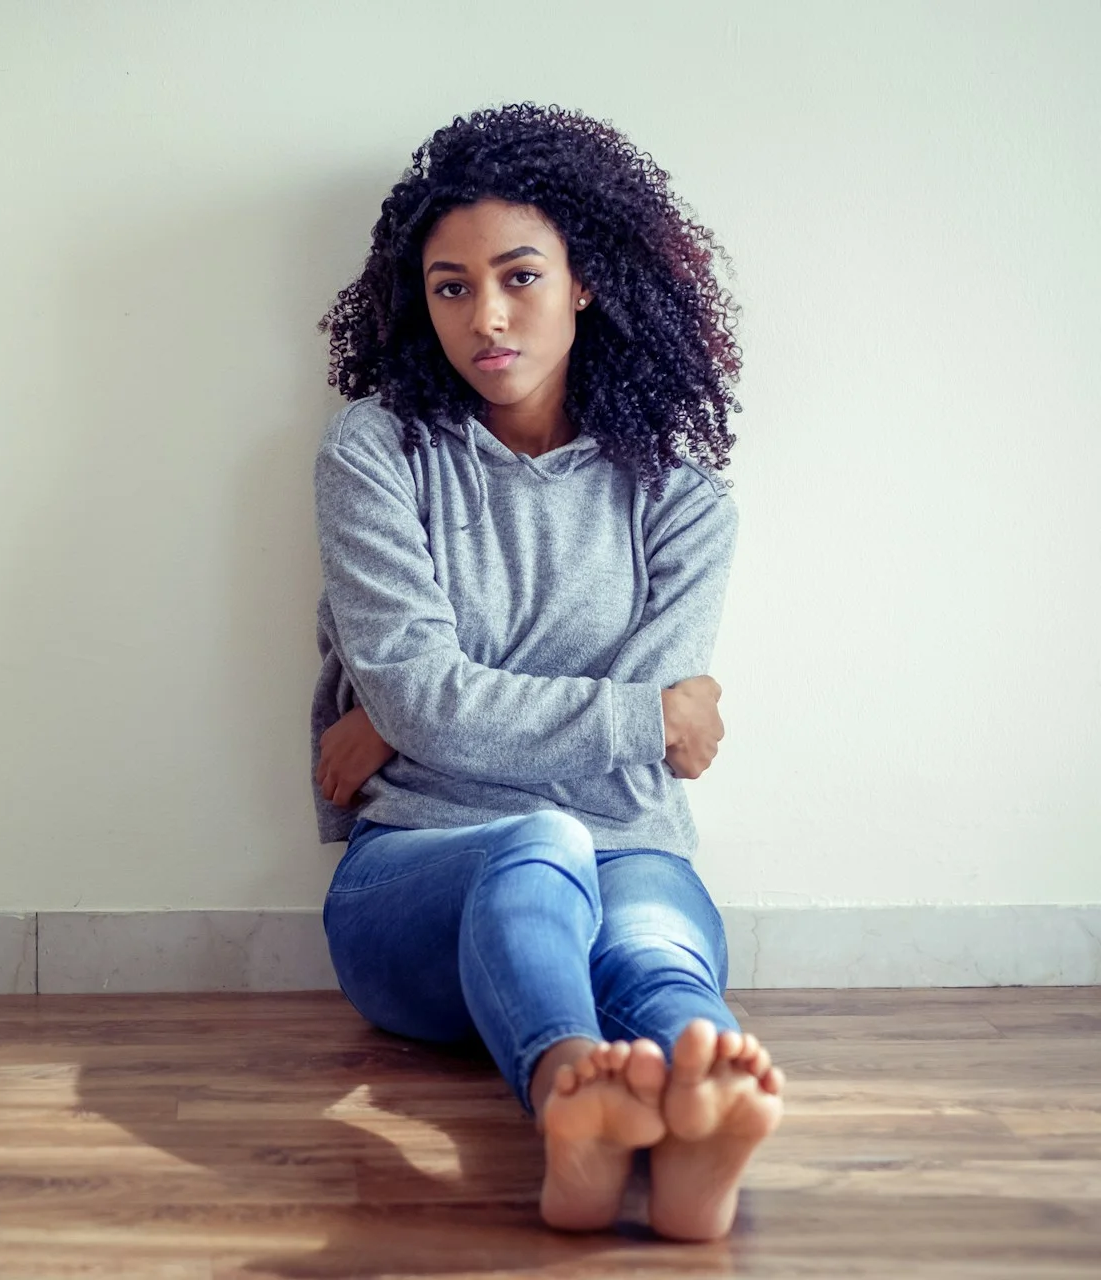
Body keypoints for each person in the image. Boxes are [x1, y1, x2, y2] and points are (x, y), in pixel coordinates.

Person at [308, 103, 784, 1241]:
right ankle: (578, 1092)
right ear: (417, 303)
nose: (488, 315)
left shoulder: (684, 504)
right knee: (542, 839)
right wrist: (416, 704)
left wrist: (423, 711)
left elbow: (638, 738)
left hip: (629, 854)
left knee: (655, 954)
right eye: (451, 286)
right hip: (414, 879)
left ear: (585, 282)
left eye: (520, 275)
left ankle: (688, 1103)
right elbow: (645, 724)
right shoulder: (376, 453)